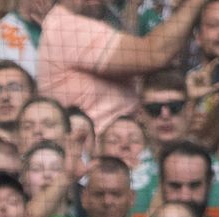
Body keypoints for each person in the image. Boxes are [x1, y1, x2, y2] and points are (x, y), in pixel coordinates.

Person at [38, 0, 208, 132]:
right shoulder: (66, 27)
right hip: (100, 150)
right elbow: (154, 54)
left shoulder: (88, 22)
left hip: (121, 142)